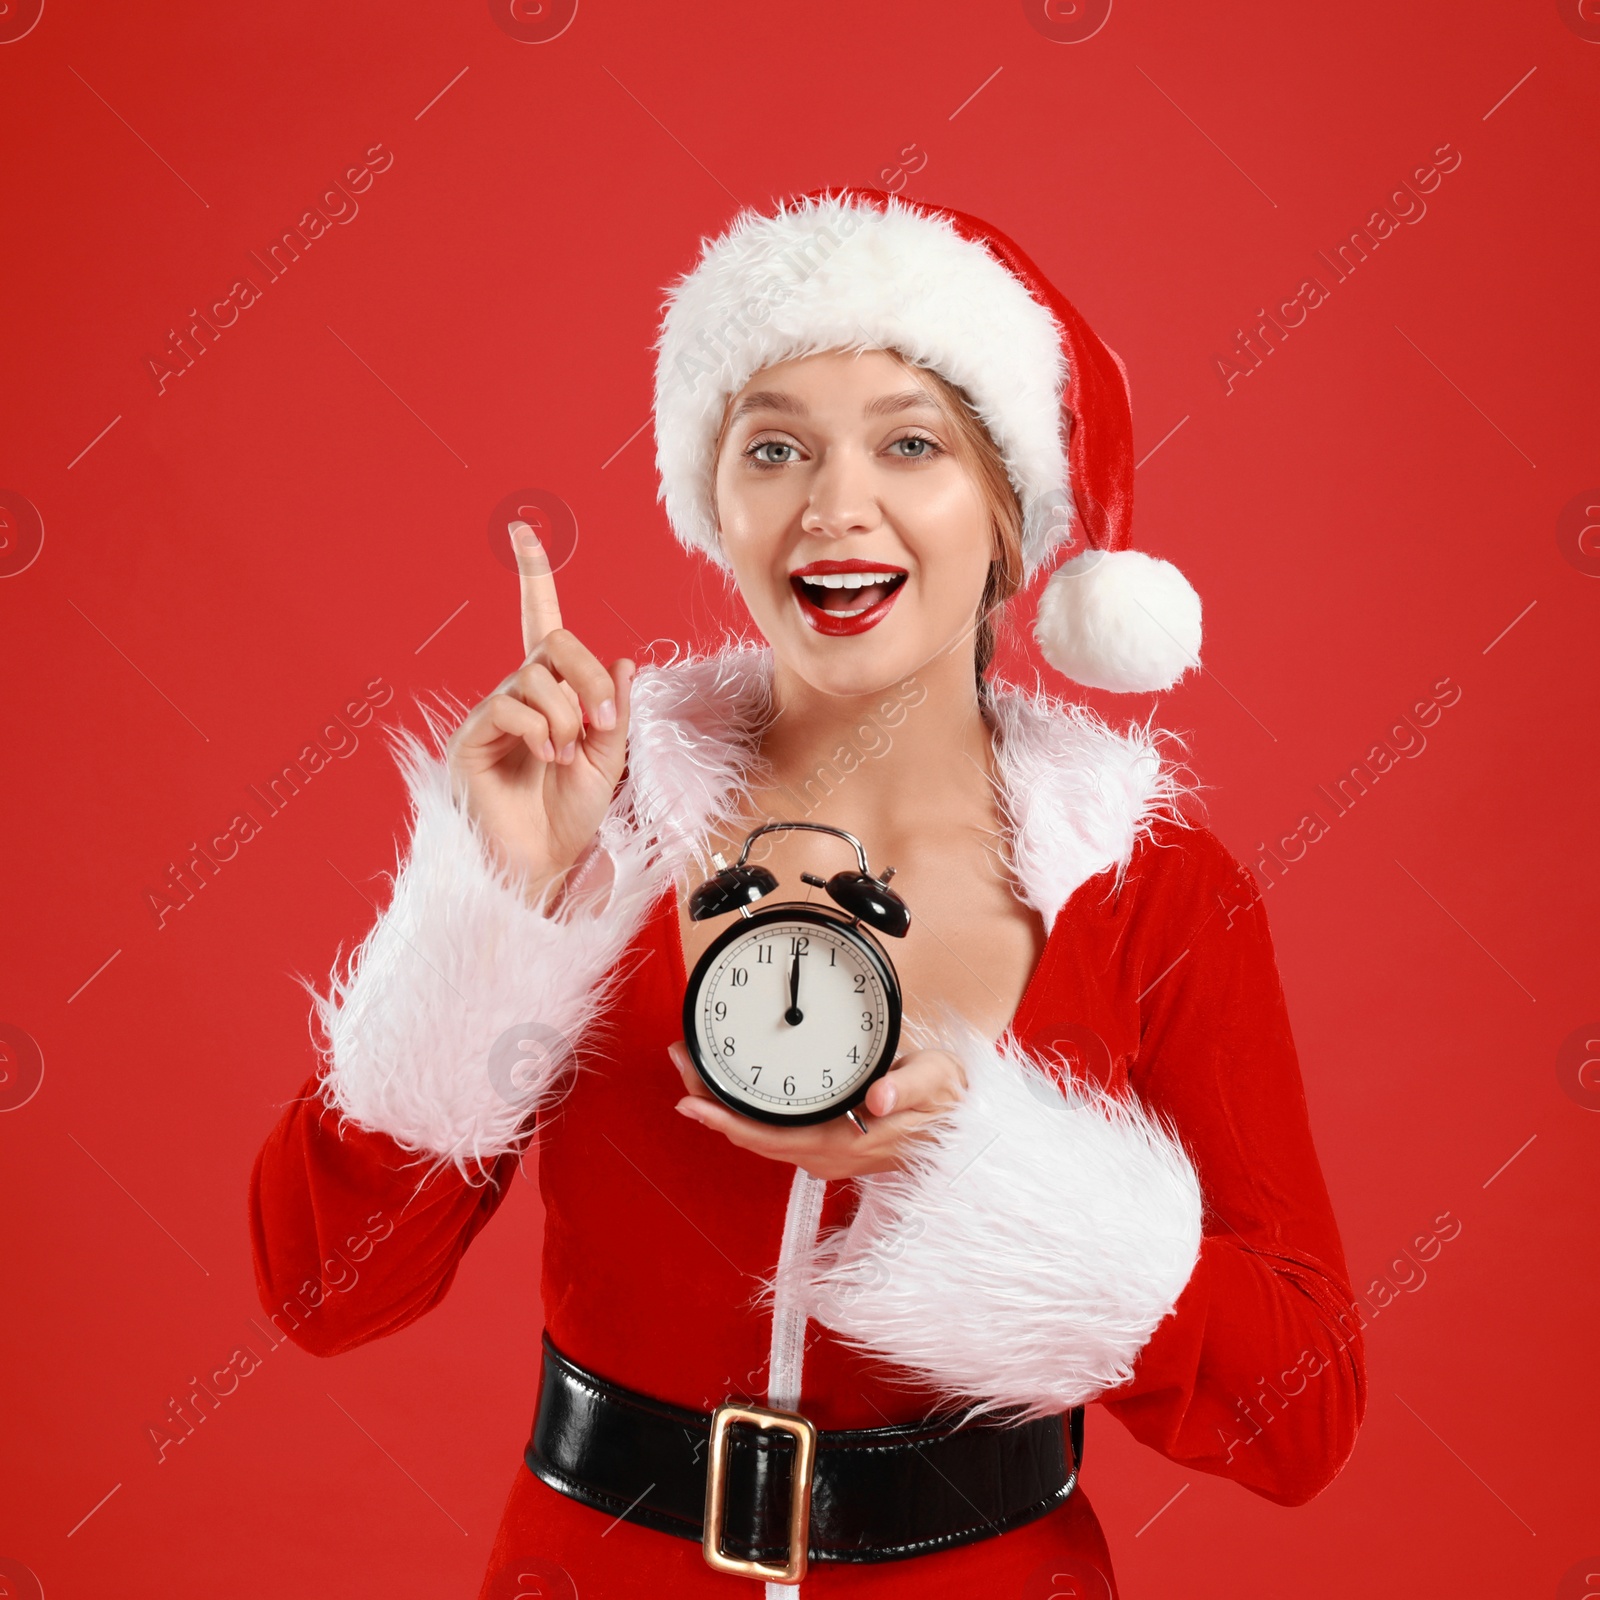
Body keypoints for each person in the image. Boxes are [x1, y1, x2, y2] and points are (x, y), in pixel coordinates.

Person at [249, 188, 1366, 1597]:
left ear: (1014, 516)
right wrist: (497, 905)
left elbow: (1302, 1419)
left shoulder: (1154, 898)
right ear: (712, 502)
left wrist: (996, 1180)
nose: (837, 506)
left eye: (912, 443)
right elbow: (325, 1293)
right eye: (773, 445)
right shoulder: (601, 826)